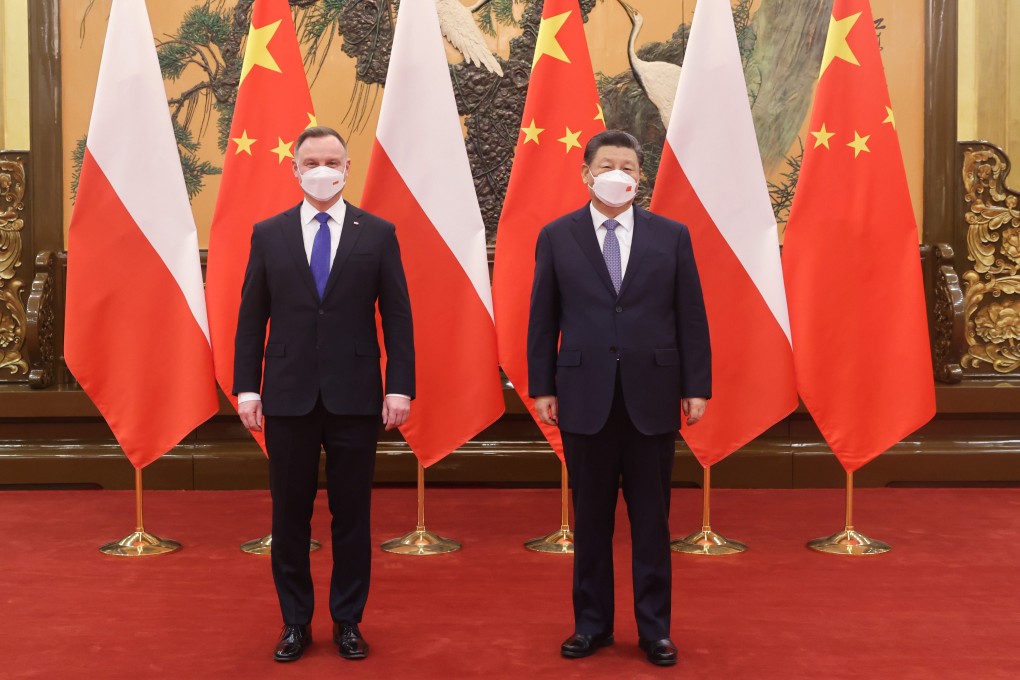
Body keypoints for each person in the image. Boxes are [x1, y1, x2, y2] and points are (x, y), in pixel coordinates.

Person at [527, 129, 711, 667]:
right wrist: (541, 387)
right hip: (583, 396)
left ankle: (655, 629)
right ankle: (592, 625)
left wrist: (696, 386)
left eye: (628, 166)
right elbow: (543, 318)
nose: (617, 174)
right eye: (607, 165)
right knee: (591, 521)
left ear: (640, 176)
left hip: (652, 398)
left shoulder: (671, 236)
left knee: (652, 521)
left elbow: (691, 316)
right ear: (585, 174)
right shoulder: (557, 236)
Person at [233, 125, 414, 663]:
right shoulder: (269, 234)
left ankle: (348, 620)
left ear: (347, 167)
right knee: (289, 515)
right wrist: (247, 388)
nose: (321, 169)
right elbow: (251, 319)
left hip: (356, 397)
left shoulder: (377, 233)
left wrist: (399, 385)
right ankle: (294, 622)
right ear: (293, 169)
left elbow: (398, 317)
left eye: (331, 160)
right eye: (311, 160)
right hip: (286, 396)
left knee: (351, 514)